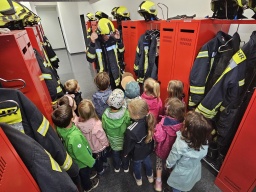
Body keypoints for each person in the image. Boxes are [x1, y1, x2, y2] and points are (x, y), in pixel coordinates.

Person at [51, 104, 99, 192]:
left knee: (84, 173)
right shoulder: (75, 137)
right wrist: (91, 161)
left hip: (75, 159)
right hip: (82, 163)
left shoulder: (59, 127)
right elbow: (82, 155)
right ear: (71, 119)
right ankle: (88, 187)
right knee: (84, 175)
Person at [166, 111, 212, 192]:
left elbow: (172, 158)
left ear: (187, 130)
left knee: (176, 187)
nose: (182, 123)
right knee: (185, 184)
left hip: (180, 172)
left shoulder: (180, 144)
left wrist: (168, 165)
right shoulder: (205, 141)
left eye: (184, 124)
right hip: (194, 168)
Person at [153, 98, 185, 192]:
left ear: (169, 111)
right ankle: (171, 177)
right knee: (172, 163)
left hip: (162, 148)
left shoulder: (163, 122)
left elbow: (158, 137)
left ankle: (158, 182)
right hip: (175, 150)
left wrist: (156, 129)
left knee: (159, 163)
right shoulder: (183, 123)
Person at [123, 98, 155, 186]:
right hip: (148, 149)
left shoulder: (130, 130)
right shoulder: (150, 119)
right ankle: (150, 176)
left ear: (136, 116)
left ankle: (138, 179)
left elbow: (128, 145)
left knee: (136, 166)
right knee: (148, 162)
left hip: (137, 153)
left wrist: (125, 153)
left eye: (129, 111)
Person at [86, 18, 124, 89]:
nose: (109, 36)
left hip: (115, 75)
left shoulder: (112, 40)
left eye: (110, 34)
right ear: (100, 33)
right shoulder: (95, 42)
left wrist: (119, 40)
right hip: (103, 78)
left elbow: (121, 52)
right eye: (107, 35)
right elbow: (90, 59)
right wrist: (92, 44)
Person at [76, 99, 109, 175]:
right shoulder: (97, 124)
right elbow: (102, 137)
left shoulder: (78, 124)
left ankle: (99, 169)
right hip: (99, 147)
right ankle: (101, 169)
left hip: (89, 148)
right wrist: (106, 143)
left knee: (96, 159)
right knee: (100, 158)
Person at [102, 88, 131, 173]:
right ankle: (125, 167)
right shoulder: (125, 113)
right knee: (125, 153)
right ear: (122, 102)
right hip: (123, 138)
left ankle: (117, 167)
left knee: (115, 154)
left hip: (112, 139)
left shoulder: (105, 114)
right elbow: (129, 124)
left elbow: (104, 126)